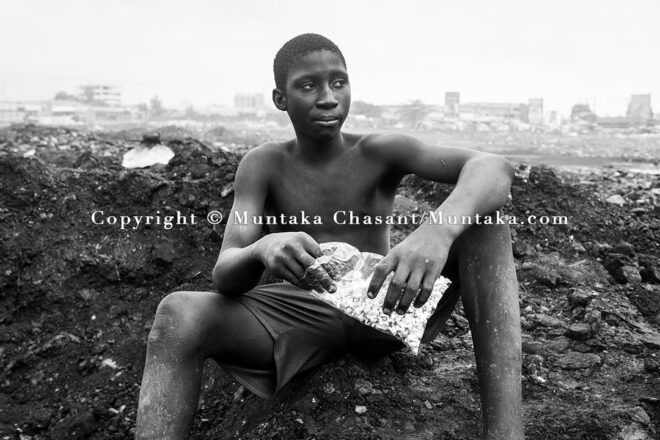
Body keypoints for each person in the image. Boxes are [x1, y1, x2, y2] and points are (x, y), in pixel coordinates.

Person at [135, 33, 523, 440]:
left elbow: (493, 166)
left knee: (487, 224)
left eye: (339, 82)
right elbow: (226, 271)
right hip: (296, 314)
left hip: (382, 302)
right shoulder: (263, 164)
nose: (328, 98)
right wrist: (263, 248)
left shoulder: (380, 150)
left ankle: (506, 434)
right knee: (178, 313)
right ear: (280, 99)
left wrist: (435, 232)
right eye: (308, 86)